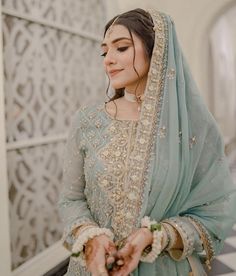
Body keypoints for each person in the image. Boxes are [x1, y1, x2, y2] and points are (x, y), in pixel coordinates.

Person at [58, 8, 236, 276]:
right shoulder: (87, 121)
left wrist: (156, 236)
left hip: (165, 267)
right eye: (104, 51)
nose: (108, 60)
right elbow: (70, 199)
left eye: (121, 48)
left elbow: (217, 210)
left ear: (157, 50)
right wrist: (91, 238)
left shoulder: (192, 127)